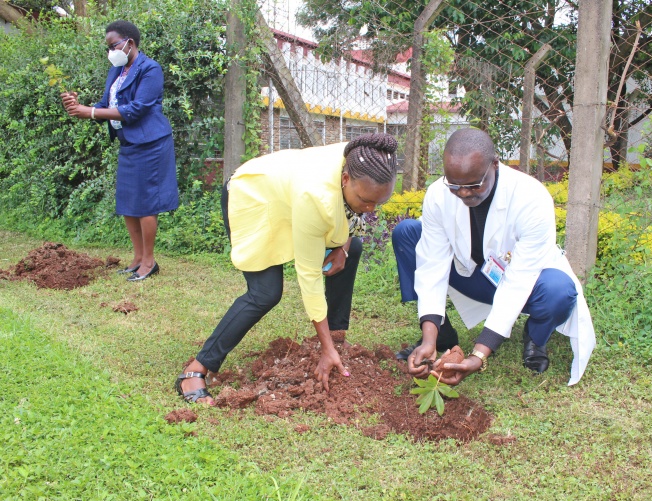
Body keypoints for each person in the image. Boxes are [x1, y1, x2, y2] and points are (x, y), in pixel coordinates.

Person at [176, 134, 399, 404]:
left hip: (288, 197)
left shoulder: (364, 159)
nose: (371, 209)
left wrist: (343, 247)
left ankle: (337, 338)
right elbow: (309, 277)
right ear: (345, 180)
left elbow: (352, 215)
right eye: (365, 200)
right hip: (254, 196)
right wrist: (323, 349)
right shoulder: (316, 196)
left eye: (379, 202)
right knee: (265, 292)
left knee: (352, 251)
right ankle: (198, 368)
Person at [392, 128, 595, 386]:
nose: (464, 193)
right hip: (474, 275)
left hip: (526, 282)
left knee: (560, 290)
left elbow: (519, 281)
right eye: (455, 185)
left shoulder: (531, 198)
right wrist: (429, 337)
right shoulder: (438, 194)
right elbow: (432, 265)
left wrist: (479, 354)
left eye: (474, 184)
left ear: (495, 165)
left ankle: (535, 337)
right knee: (408, 233)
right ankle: (441, 336)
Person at [60, 20, 178, 282]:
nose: (110, 51)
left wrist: (89, 112)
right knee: (128, 203)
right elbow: (105, 105)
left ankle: (149, 262)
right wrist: (80, 107)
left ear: (130, 43)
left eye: (113, 45)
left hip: (151, 144)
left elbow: (136, 109)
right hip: (128, 143)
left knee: (147, 204)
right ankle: (136, 258)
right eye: (108, 47)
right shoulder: (116, 70)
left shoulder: (150, 69)